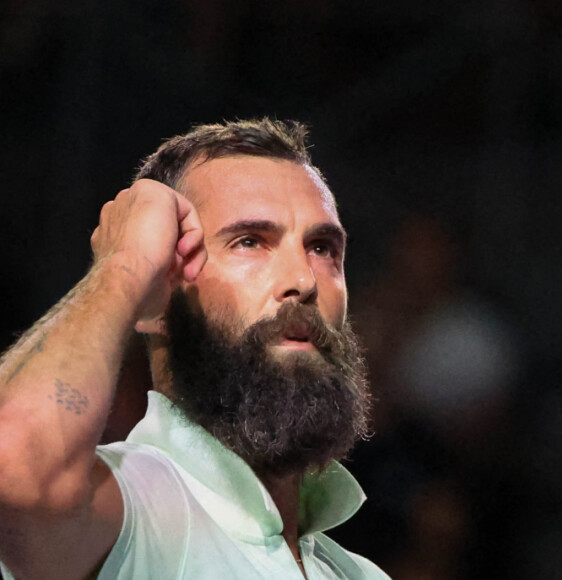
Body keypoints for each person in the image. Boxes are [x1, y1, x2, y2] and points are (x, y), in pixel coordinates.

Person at [0, 119, 390, 579]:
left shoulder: (359, 574)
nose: (304, 281)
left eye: (322, 248)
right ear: (155, 295)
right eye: (250, 241)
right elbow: (14, 467)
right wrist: (125, 262)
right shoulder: (135, 510)